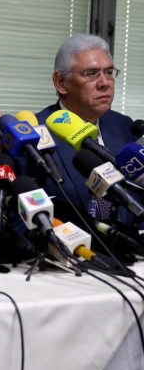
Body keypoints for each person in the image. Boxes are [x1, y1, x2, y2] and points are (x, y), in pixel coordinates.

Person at [34, 34, 137, 230]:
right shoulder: (36, 133)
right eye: (91, 73)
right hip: (69, 253)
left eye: (108, 72)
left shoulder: (123, 126)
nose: (104, 82)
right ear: (61, 83)